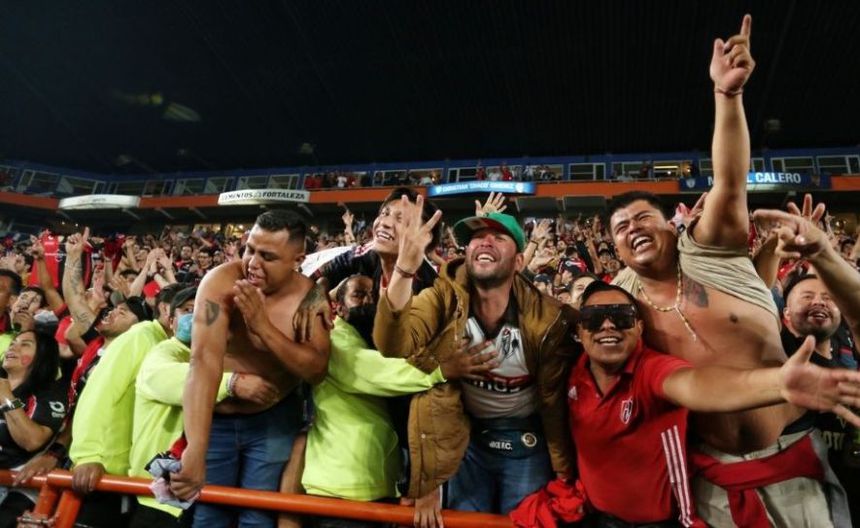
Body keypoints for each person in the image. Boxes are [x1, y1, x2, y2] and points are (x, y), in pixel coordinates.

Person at [605, 15, 849, 526]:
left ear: (673, 226)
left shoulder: (708, 248)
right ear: (616, 249)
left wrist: (727, 95)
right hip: (706, 475)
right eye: (620, 227)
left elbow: (730, 181)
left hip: (791, 460)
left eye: (643, 217)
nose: (632, 228)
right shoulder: (619, 301)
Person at [566, 281, 860, 527]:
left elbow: (697, 385)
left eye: (621, 317)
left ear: (640, 327)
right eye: (593, 318)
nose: (607, 325)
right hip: (595, 517)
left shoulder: (650, 369)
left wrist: (777, 385)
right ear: (579, 331)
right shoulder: (571, 372)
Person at [374, 202, 576, 526]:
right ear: (466, 252)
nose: (485, 242)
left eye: (498, 237)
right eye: (477, 237)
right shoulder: (443, 298)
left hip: (527, 438)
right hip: (466, 439)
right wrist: (404, 271)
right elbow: (392, 344)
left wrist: (565, 472)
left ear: (519, 261)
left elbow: (556, 403)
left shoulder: (549, 318)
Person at [170, 210, 329, 528]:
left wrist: (262, 326)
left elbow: (317, 371)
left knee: (258, 518)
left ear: (297, 259)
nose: (253, 263)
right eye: (249, 250)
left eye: (267, 256)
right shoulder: (219, 283)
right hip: (215, 419)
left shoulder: (308, 297)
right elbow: (203, 363)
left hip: (273, 419)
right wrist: (196, 448)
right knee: (209, 516)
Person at [302, 275, 496, 528]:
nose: (368, 302)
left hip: (371, 484)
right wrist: (441, 369)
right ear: (338, 306)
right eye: (358, 295)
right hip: (340, 487)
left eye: (373, 295)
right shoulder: (334, 337)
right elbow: (371, 371)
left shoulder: (365, 338)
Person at [128, 289, 280, 528]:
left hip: (202, 489)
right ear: (171, 320)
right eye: (187, 310)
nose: (197, 316)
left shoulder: (222, 358)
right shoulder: (165, 351)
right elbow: (168, 378)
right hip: (161, 497)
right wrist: (231, 383)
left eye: (204, 310)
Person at [754, 206, 860, 525]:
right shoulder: (777, 350)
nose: (819, 301)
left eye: (828, 298)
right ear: (785, 315)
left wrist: (824, 252)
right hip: (798, 500)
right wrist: (774, 243)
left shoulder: (849, 361)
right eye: (806, 296)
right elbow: (757, 290)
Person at [0, 328, 68, 528]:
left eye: (25, 345)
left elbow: (32, 440)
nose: (13, 348)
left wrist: (7, 398)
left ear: (42, 357)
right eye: (13, 343)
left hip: (23, 485)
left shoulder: (50, 394)